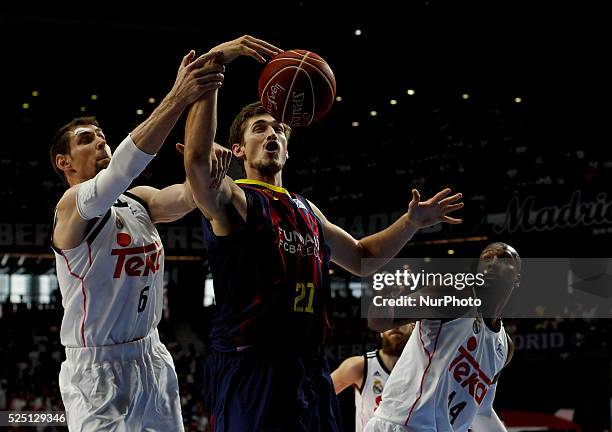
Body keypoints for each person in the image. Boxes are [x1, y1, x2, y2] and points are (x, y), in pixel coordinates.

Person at [183, 34, 464, 431]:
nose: (272, 134)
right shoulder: (237, 199)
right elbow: (197, 162)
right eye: (260, 128)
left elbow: (363, 259)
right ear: (238, 149)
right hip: (252, 366)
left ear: (288, 146)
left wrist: (412, 223)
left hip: (308, 366)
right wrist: (215, 65)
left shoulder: (306, 209)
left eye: (279, 128)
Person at [49, 49, 229, 431]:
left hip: (151, 356)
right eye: (85, 140)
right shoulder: (71, 208)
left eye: (101, 137)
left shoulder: (139, 200)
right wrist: (178, 95)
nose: (99, 143)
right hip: (96, 370)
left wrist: (207, 160)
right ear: (64, 162)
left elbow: (190, 194)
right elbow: (121, 171)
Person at [365, 242, 520, 432]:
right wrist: (385, 294)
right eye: (486, 258)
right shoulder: (454, 293)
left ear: (516, 279)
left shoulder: (504, 347)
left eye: (503, 260)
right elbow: (378, 322)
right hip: (402, 425)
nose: (493, 263)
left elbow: (481, 411)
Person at [332, 323, 415, 432]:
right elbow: (317, 396)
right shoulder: (360, 366)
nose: (396, 326)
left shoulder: (424, 369)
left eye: (402, 321)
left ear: (413, 328)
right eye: (391, 320)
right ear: (381, 330)